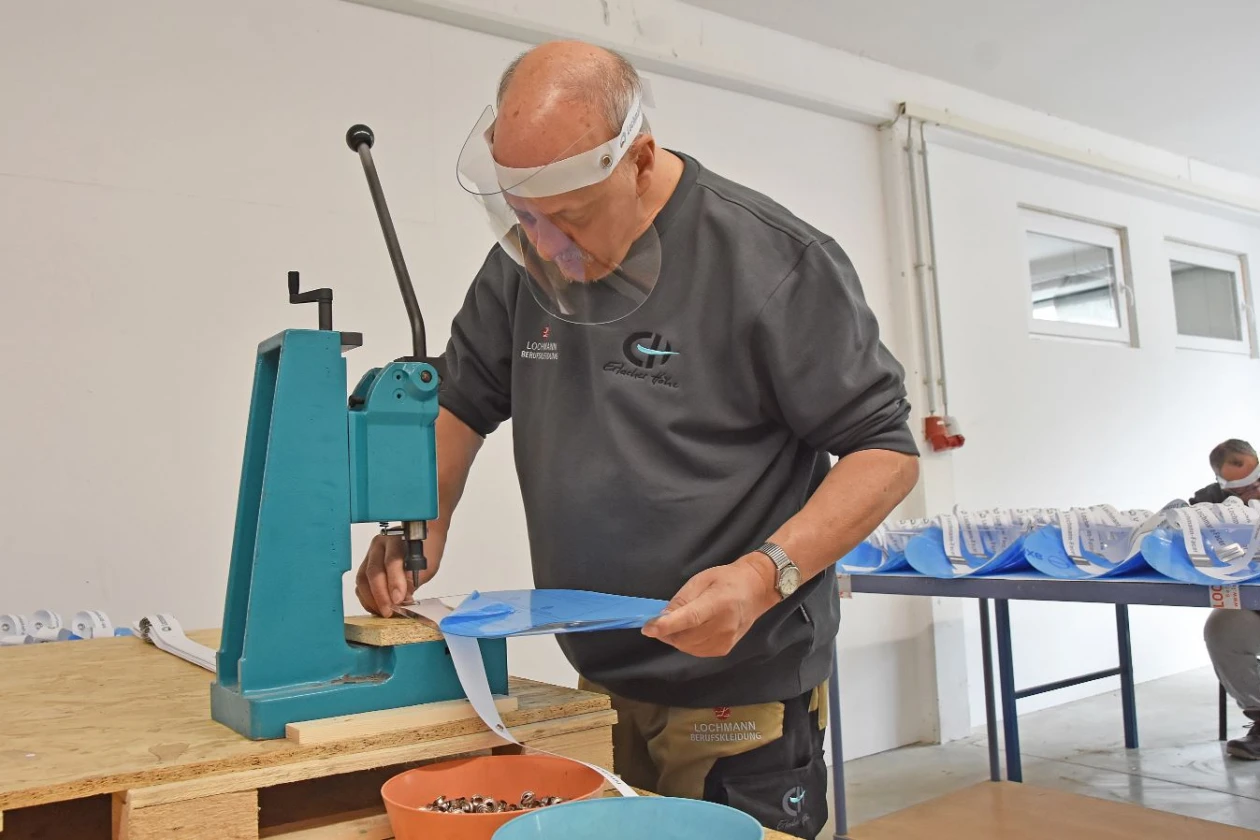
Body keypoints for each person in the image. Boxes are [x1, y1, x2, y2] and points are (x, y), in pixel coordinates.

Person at [355, 41, 919, 837]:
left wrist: (763, 576)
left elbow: (885, 451)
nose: (546, 248)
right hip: (598, 678)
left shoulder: (773, 262)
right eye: (524, 219)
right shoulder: (522, 265)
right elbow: (462, 399)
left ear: (641, 158)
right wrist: (421, 523)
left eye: (571, 219)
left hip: (740, 690)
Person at [1195, 439, 1260, 759]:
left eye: (1256, 483)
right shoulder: (1211, 501)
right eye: (1242, 489)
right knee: (1223, 628)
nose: (1253, 493)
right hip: (1254, 603)